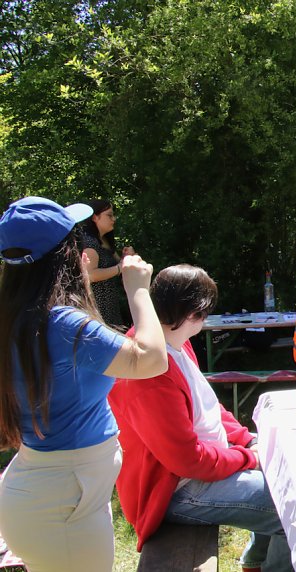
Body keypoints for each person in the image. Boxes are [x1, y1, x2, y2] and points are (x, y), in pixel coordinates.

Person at [0, 196, 167, 572]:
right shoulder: (62, 324)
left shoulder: (16, 318)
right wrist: (138, 288)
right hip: (62, 505)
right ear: (63, 255)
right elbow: (152, 360)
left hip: (57, 497)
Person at [108, 264, 291, 572]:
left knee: (286, 478)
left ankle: (255, 563)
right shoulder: (148, 370)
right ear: (193, 313)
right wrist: (246, 457)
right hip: (173, 492)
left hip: (199, 470)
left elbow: (208, 407)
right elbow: (186, 460)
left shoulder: (174, 341)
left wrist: (246, 439)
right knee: (290, 506)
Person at [80, 199, 135, 328]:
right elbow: (90, 275)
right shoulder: (90, 242)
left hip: (110, 305)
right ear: (94, 217)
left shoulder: (104, 241)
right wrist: (120, 267)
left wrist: (127, 257)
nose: (114, 219)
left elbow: (120, 266)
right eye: (109, 215)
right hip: (97, 307)